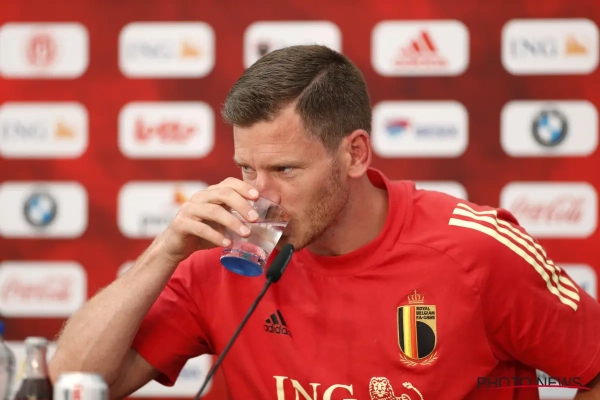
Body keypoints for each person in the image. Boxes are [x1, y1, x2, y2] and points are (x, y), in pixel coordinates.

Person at [48, 45, 600, 400]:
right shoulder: (223, 254)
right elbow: (76, 382)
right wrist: (166, 250)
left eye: (285, 169)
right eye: (246, 168)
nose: (258, 194)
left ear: (354, 153)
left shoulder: (476, 251)